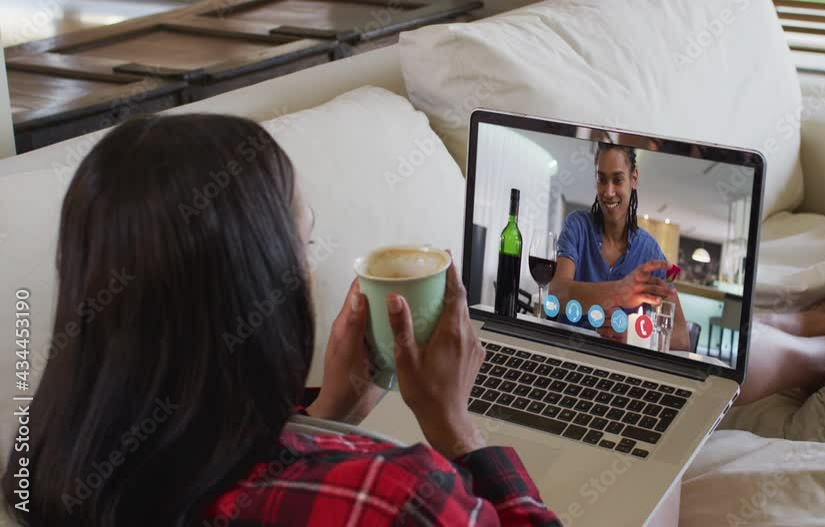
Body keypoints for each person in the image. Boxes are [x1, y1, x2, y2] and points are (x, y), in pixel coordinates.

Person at [1, 115, 560, 526]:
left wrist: (326, 413)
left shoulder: (45, 463)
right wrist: (456, 428)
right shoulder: (394, 494)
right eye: (303, 241)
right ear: (260, 284)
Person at [549, 143, 690, 350]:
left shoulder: (649, 251)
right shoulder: (577, 226)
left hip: (618, 367)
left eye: (617, 179)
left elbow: (682, 337)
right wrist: (619, 291)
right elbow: (558, 293)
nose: (608, 191)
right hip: (566, 355)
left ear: (634, 179)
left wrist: (634, 336)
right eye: (601, 179)